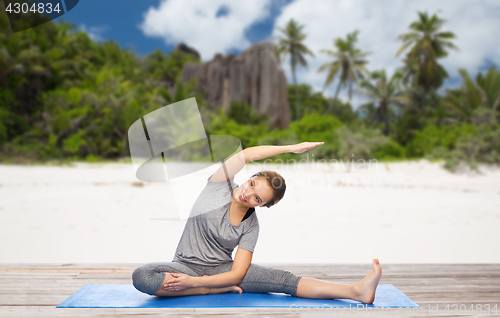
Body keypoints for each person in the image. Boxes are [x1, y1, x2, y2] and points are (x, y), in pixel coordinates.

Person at [132, 142, 382, 303]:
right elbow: (246, 154)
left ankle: (356, 291)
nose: (247, 194)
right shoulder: (218, 185)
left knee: (283, 280)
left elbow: (238, 273)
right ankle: (209, 291)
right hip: (184, 265)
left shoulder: (251, 226)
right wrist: (289, 148)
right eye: (251, 185)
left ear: (262, 205)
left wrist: (194, 283)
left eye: (257, 198)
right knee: (142, 276)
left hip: (223, 272)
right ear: (249, 177)